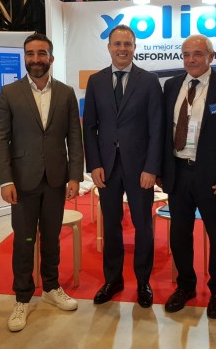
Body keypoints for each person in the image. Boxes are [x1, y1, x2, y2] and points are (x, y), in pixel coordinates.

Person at [0, 33, 84, 332]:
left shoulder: (66, 93)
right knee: (24, 239)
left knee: (52, 236)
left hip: (57, 180)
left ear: (51, 58)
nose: (35, 59)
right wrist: (5, 179)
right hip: (22, 181)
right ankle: (22, 297)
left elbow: (75, 137)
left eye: (41, 53)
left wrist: (74, 175)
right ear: (25, 57)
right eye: (30, 54)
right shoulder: (9, 93)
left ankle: (51, 287)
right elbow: (0, 139)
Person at [161, 34, 216, 319]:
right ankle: (185, 286)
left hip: (212, 178)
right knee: (179, 235)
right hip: (178, 173)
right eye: (186, 54)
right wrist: (163, 171)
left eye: (198, 53)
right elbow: (164, 132)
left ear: (211, 56)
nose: (191, 59)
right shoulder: (172, 85)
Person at [83, 24, 164, 308]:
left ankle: (142, 282)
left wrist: (152, 167)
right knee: (112, 225)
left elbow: (157, 128)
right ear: (109, 47)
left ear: (134, 47)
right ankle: (113, 279)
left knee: (143, 225)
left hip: (141, 168)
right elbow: (89, 127)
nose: (122, 49)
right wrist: (93, 164)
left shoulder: (149, 81)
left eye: (127, 44)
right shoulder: (95, 81)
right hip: (107, 167)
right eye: (117, 44)